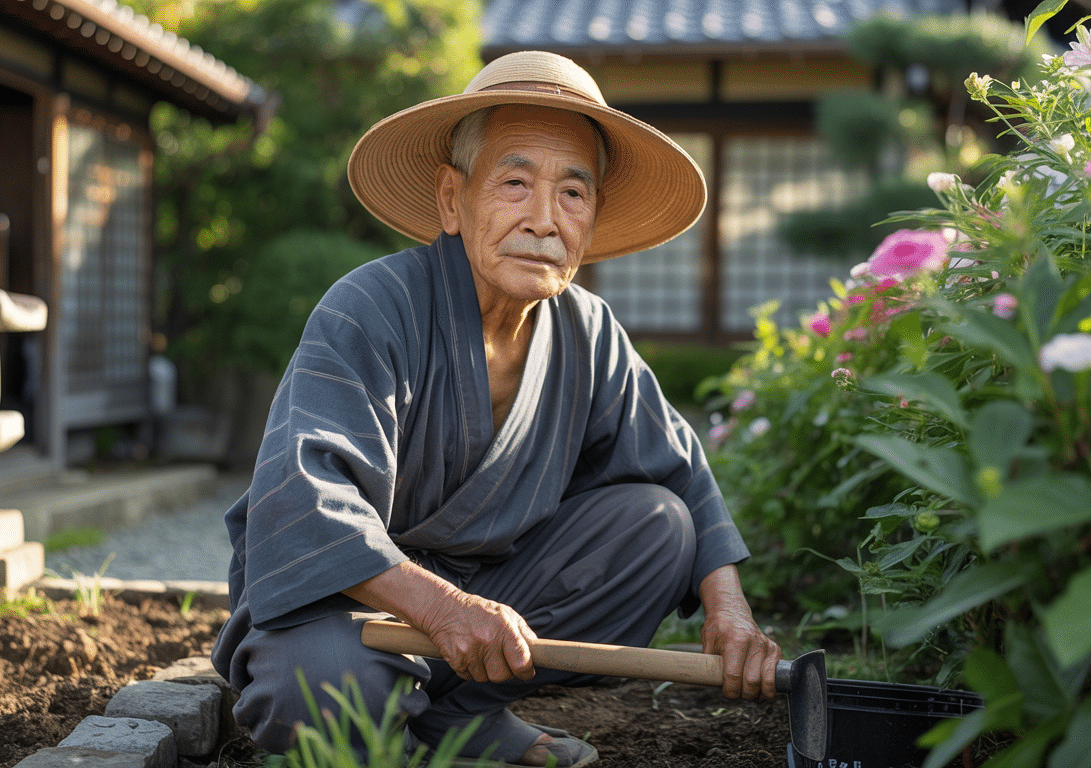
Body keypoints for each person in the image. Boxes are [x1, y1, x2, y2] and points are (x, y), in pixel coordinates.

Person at [211, 50, 781, 767]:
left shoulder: (589, 330)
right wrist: (443, 608)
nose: (545, 220)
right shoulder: (371, 308)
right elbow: (306, 497)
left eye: (573, 194)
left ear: (593, 218)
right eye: (515, 183)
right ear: (452, 199)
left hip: (491, 601)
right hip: (350, 606)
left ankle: (456, 717)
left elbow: (680, 475)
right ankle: (390, 719)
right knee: (321, 690)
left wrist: (729, 609)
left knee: (660, 529)